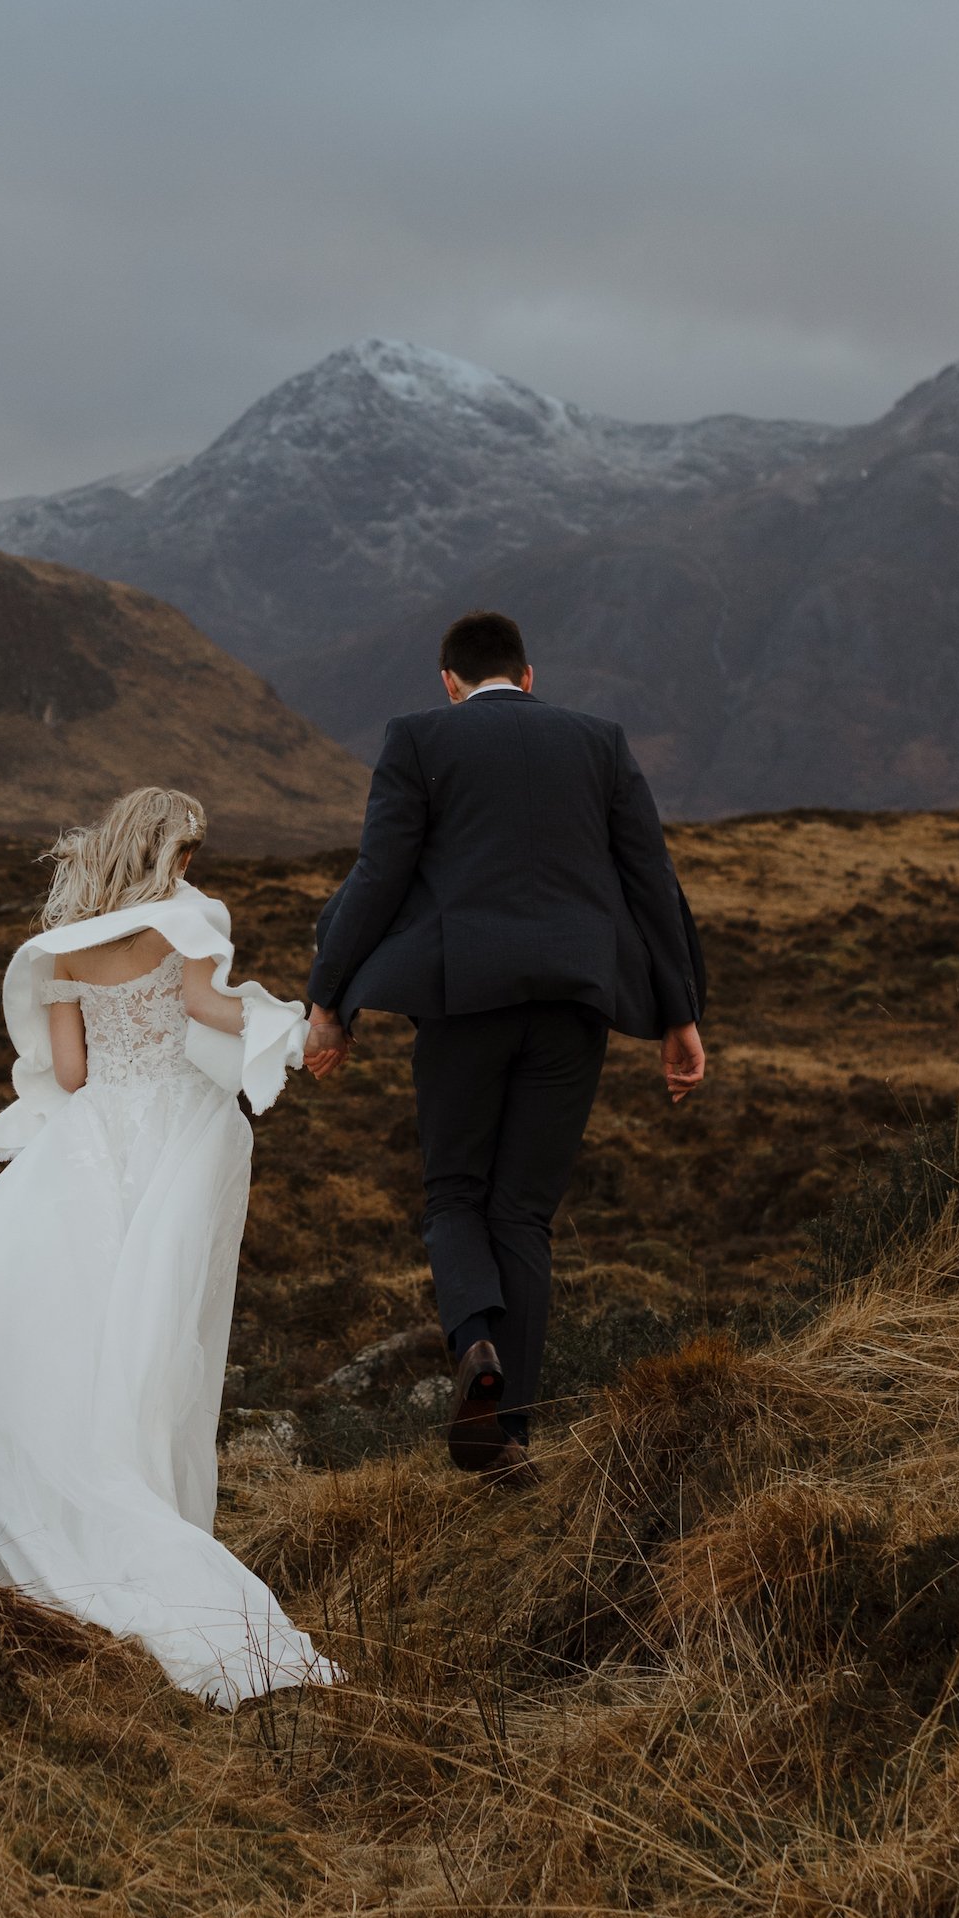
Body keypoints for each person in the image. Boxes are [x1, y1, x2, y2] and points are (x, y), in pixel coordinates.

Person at [0, 784, 337, 1705]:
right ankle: (159, 1511)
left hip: (95, 1138)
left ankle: (95, 1486)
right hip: (179, 1136)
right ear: (167, 855)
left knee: (85, 1316)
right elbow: (208, 1012)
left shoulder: (64, 950)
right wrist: (294, 1027)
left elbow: (68, 1074)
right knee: (165, 1330)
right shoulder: (183, 924)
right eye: (189, 851)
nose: (194, 868)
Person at [304, 611, 707, 1477]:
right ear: (529, 676)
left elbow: (379, 876)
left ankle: (475, 1347)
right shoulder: (598, 741)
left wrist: (329, 1001)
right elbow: (652, 878)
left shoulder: (418, 740)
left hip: (463, 1003)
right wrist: (682, 1015)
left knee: (455, 1195)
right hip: (574, 1004)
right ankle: (510, 1435)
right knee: (523, 1212)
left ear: (448, 683)